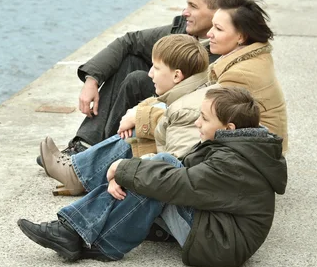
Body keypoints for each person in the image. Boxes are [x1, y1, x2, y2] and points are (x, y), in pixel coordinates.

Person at [17, 87, 287, 267]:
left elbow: (180, 184)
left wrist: (121, 169)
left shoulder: (235, 162)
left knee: (160, 170)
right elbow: (181, 176)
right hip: (214, 225)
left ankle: (76, 232)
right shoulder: (240, 146)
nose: (197, 124)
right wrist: (130, 171)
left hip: (220, 244)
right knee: (155, 168)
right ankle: (79, 234)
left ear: (229, 128)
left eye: (204, 119)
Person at [36, 0, 231, 167]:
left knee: (137, 79)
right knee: (130, 60)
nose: (185, 12)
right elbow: (129, 41)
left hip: (187, 113)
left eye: (193, 7)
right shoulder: (180, 30)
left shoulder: (226, 46)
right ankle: (86, 146)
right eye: (186, 5)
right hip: (166, 99)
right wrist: (92, 79)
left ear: (217, 13)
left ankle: (95, 160)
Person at [38, 34, 214, 196]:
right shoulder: (196, 89)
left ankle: (79, 174)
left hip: (179, 193)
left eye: (156, 68)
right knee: (136, 95)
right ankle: (83, 167)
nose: (150, 73)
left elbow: (175, 167)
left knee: (139, 130)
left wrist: (125, 172)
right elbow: (130, 40)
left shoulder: (186, 108)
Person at [206, 0, 288, 151]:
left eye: (218, 29)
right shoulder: (255, 55)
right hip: (262, 148)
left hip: (253, 154)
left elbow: (206, 117)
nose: (209, 33)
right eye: (212, 26)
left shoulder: (238, 74)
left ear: (241, 36)